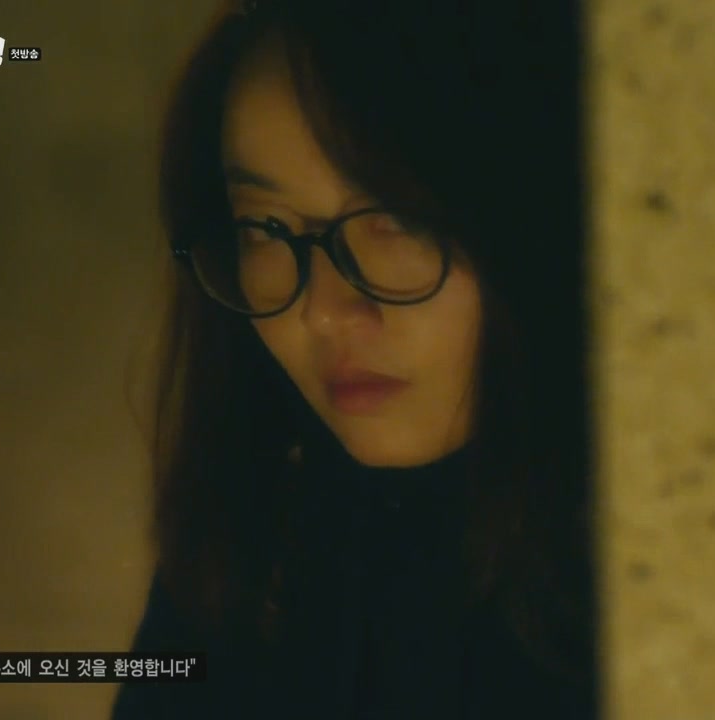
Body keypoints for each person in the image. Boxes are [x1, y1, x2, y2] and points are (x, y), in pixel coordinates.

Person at [112, 0, 597, 716]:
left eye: (398, 218)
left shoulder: (671, 561)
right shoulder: (259, 549)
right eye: (265, 228)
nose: (324, 309)